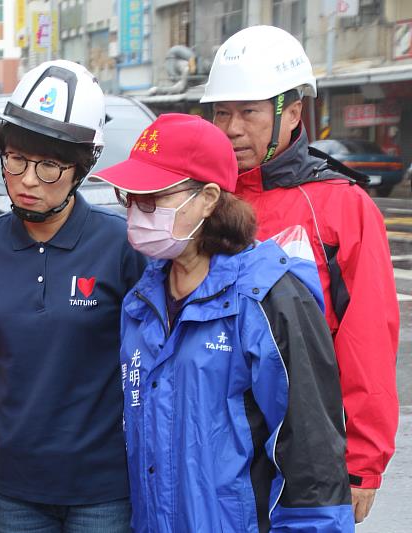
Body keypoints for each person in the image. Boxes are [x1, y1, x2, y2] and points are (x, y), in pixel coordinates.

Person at [92, 113, 354, 532]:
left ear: (209, 198)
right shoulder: (142, 302)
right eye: (130, 198)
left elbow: (311, 455)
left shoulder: (269, 299)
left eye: (153, 197)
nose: (137, 212)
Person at [201, 25, 399, 523]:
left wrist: (362, 464)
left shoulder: (340, 204)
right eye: (221, 111)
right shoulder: (200, 198)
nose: (231, 128)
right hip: (212, 441)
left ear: (292, 112)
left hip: (305, 439)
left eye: (249, 112)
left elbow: (367, 338)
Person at [0, 60, 144, 533]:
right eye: (15, 158)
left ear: (82, 169)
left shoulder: (121, 245)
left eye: (50, 166)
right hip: (14, 489)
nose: (27, 180)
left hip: (103, 490)